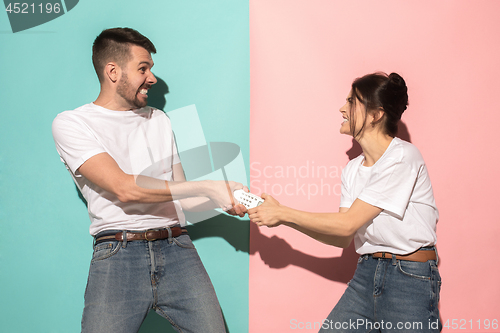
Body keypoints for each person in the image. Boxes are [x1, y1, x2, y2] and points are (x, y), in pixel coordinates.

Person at [52, 27, 246, 333]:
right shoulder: (72, 123)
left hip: (177, 248)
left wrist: (226, 196)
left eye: (151, 69)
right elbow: (124, 188)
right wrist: (209, 187)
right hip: (118, 254)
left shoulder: (159, 119)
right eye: (143, 68)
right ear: (113, 71)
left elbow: (183, 195)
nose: (152, 78)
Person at [248, 72, 441, 332]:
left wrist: (283, 214)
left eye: (351, 102)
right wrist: (281, 218)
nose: (342, 108)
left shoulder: (403, 157)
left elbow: (347, 224)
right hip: (366, 274)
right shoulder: (352, 169)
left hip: (408, 277)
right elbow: (341, 237)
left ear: (375, 114)